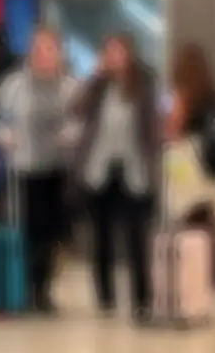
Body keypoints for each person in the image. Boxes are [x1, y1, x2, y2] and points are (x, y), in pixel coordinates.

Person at [69, 33, 162, 320]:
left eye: (119, 52)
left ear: (129, 55)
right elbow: (75, 109)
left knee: (136, 237)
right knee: (102, 237)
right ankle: (106, 297)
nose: (114, 58)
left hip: (135, 171)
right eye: (109, 52)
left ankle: (142, 299)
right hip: (100, 171)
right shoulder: (98, 87)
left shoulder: (144, 85)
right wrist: (95, 77)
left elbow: (152, 126)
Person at [0, 26, 74, 312]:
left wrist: (71, 136)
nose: (43, 55)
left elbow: (81, 122)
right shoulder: (13, 86)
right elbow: (1, 120)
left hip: (58, 168)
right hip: (25, 168)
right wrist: (4, 136)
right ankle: (26, 286)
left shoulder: (70, 88)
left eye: (49, 49)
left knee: (52, 232)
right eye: (38, 48)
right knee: (27, 230)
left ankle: (44, 286)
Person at [165, 41, 215, 287]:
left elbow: (173, 130)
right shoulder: (211, 96)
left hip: (188, 166)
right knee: (207, 220)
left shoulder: (182, 97)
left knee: (194, 220)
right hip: (210, 166)